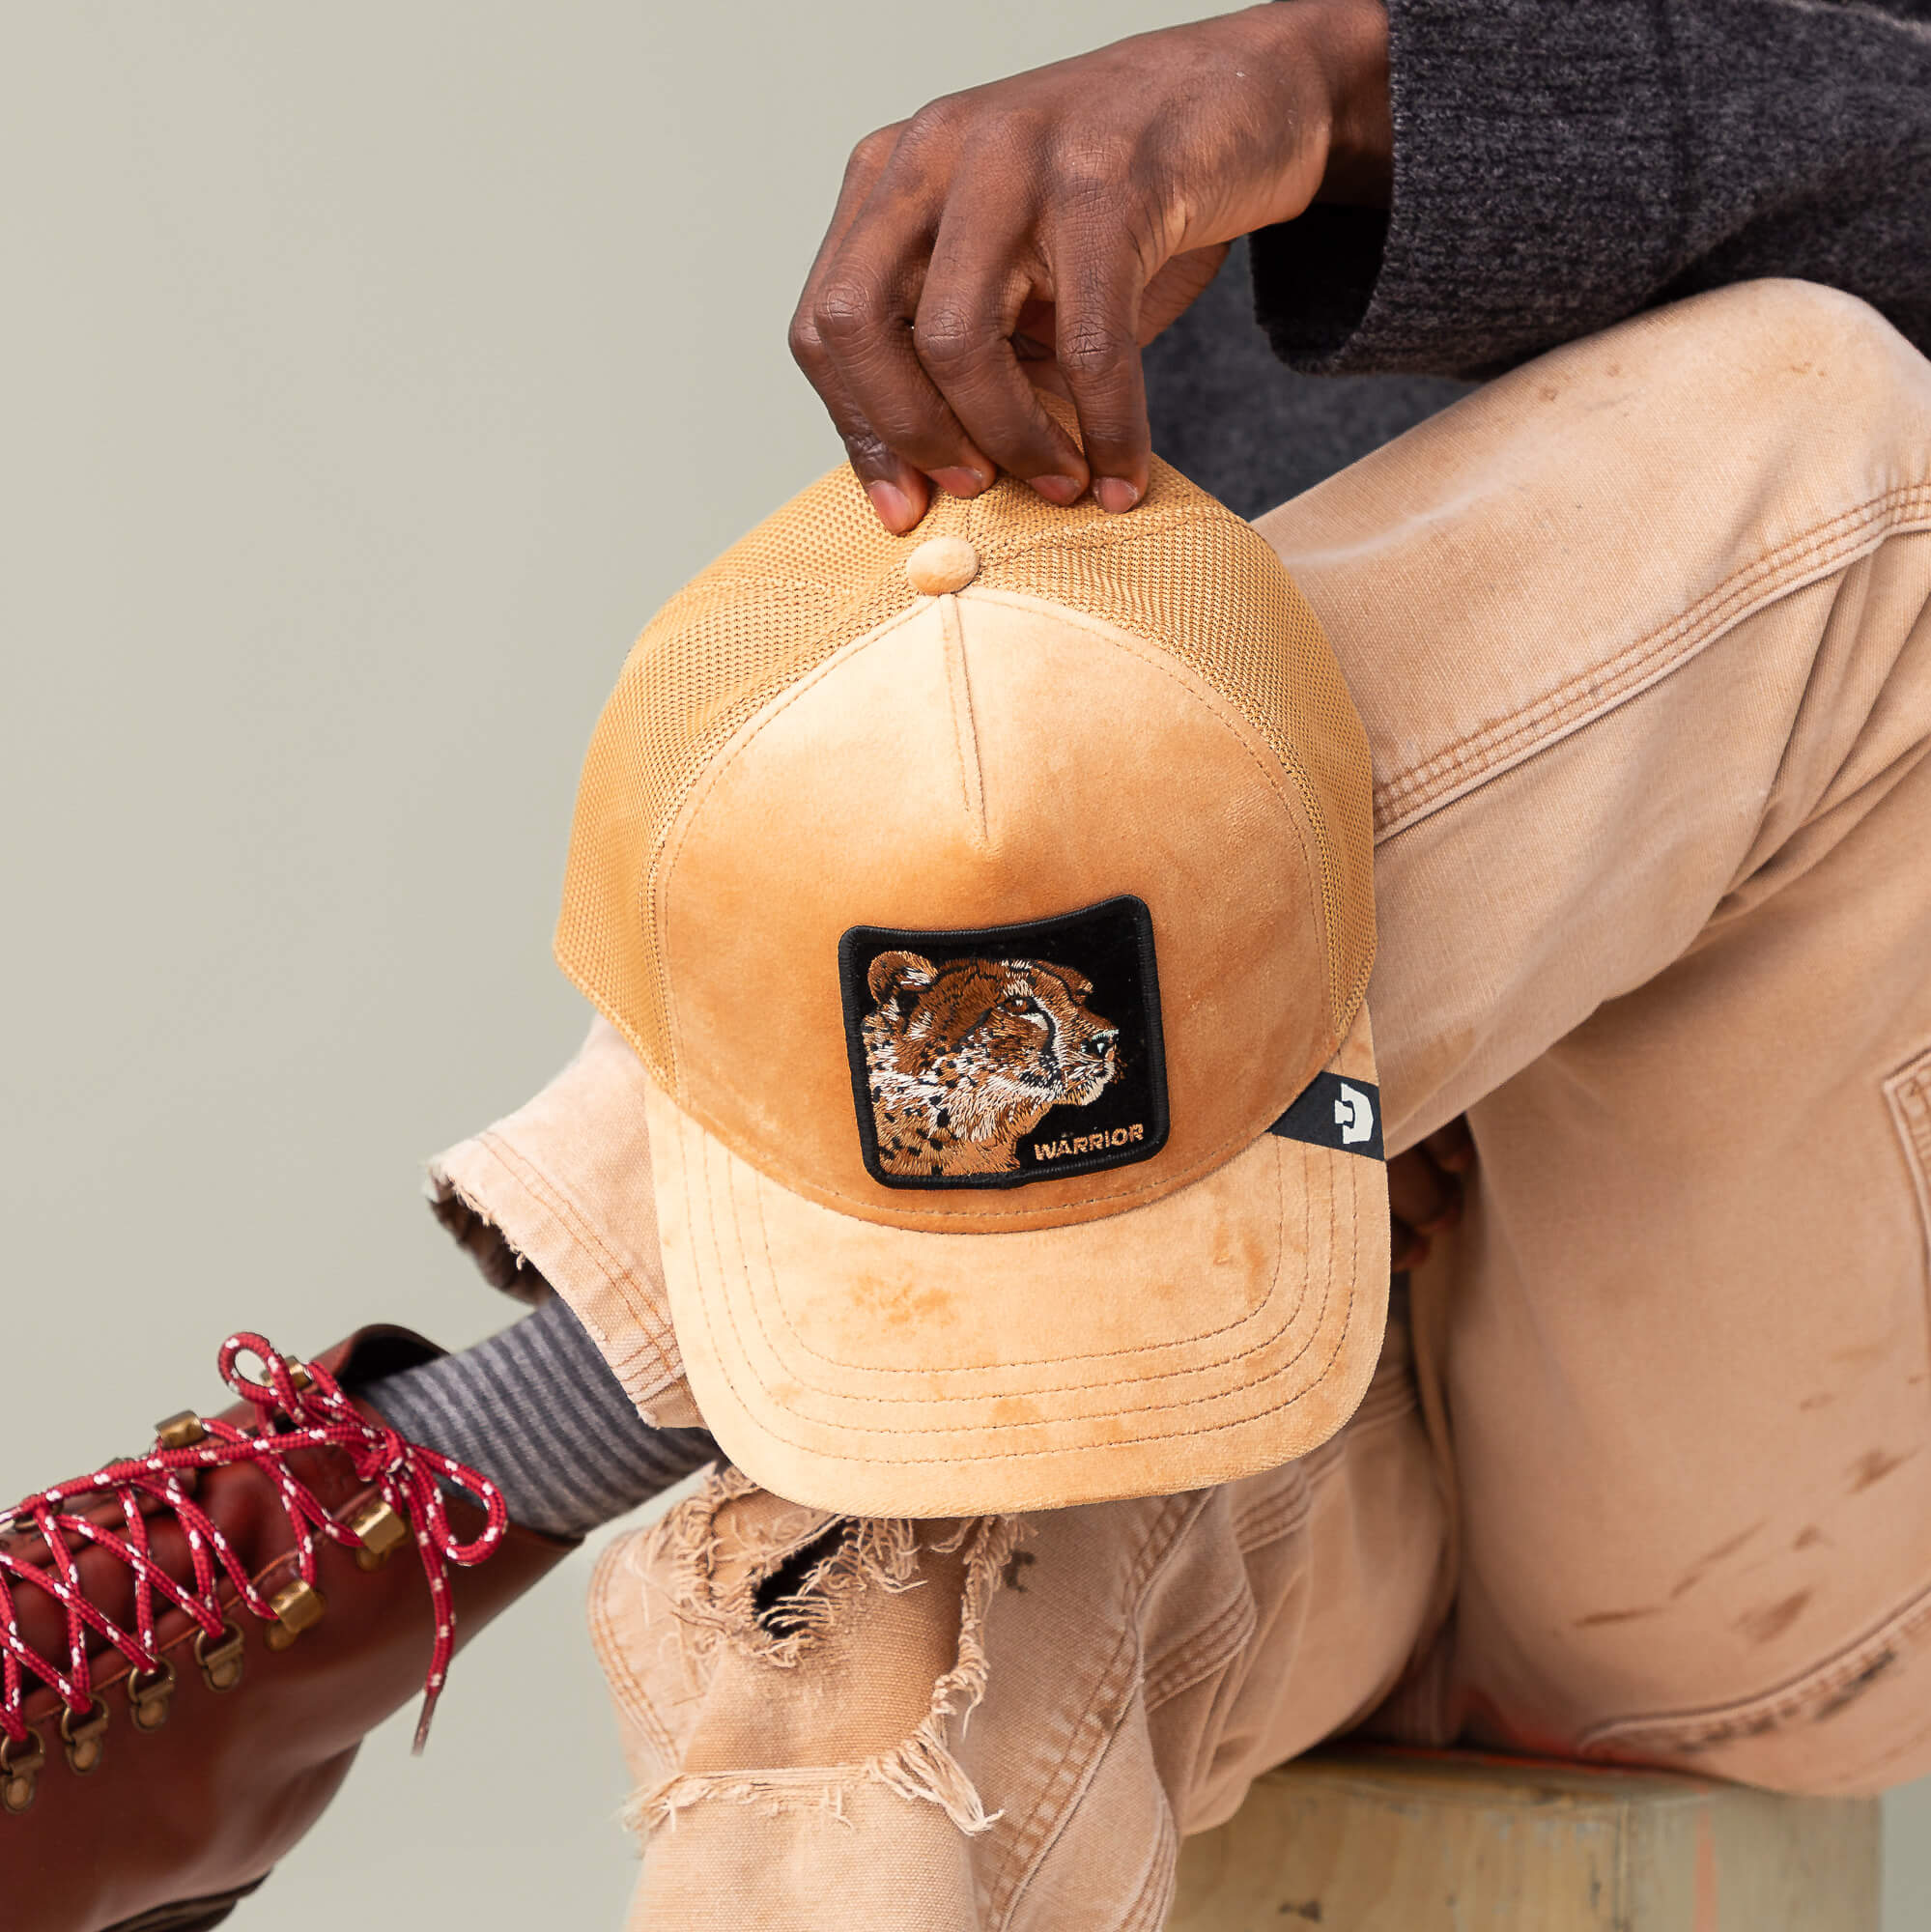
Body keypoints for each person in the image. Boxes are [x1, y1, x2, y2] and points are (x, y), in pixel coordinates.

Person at [8, 5, 1931, 1928]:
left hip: (1768, 1431)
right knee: (846, 1560)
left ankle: (433, 1483)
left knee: (1831, 432)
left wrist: (1355, 92)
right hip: (1231, 1300)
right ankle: (456, 1497)